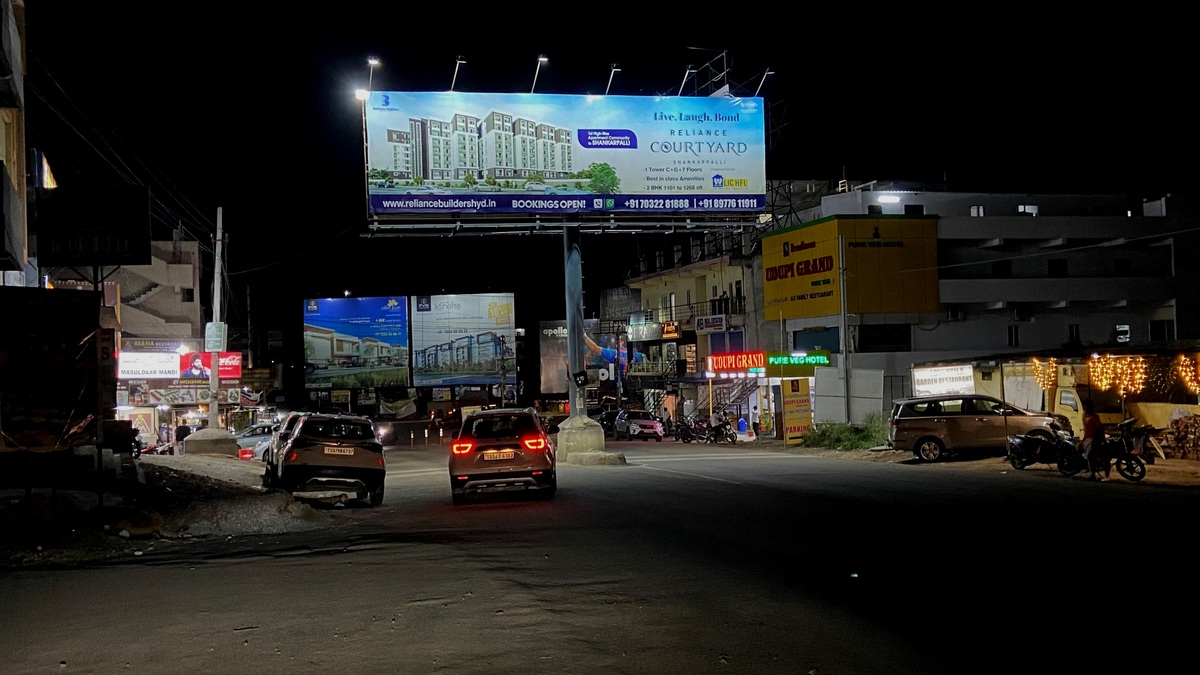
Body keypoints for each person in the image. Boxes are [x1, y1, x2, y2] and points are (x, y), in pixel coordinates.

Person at [1080, 399, 1106, 481]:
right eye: (1086, 407)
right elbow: (1086, 429)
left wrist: (1101, 440)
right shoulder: (1084, 415)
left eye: (1088, 407)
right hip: (1087, 438)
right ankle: (1091, 472)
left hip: (1095, 439)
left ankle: (1092, 474)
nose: (1087, 408)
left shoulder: (1095, 417)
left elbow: (1100, 429)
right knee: (1088, 456)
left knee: (1091, 456)